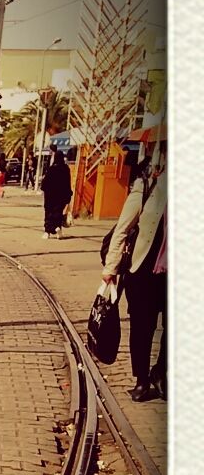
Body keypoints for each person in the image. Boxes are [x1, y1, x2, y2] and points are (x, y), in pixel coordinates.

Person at [102, 148, 166, 401]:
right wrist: (111, 268)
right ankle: (141, 379)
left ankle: (161, 372)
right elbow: (121, 230)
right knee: (142, 327)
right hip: (143, 272)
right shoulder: (146, 187)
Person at [40, 150, 72, 238]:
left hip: (50, 196)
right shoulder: (65, 169)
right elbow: (67, 182)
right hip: (60, 196)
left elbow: (45, 182)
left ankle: (47, 232)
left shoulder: (51, 169)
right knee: (58, 212)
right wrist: (68, 194)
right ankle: (58, 228)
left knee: (48, 213)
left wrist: (44, 189)